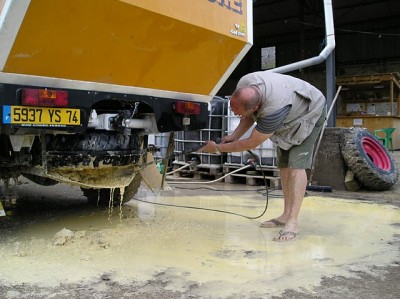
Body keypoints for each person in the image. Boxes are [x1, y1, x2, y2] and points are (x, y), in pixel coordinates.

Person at [198, 71, 326, 242]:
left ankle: (293, 222)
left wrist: (218, 149)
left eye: (238, 113)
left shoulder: (274, 110)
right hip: (290, 110)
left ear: (257, 107)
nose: (236, 115)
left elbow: (251, 143)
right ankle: (285, 215)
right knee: (284, 165)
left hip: (309, 112)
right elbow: (248, 115)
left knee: (296, 166)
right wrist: (234, 135)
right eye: (233, 109)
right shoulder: (245, 83)